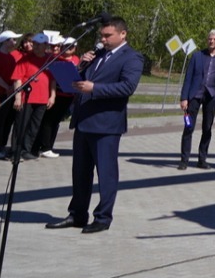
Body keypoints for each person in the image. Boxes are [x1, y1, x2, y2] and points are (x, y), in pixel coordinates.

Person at [46, 16, 143, 233]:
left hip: (106, 124)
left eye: (108, 35)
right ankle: (77, 214)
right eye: (102, 35)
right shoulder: (97, 55)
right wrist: (80, 66)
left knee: (106, 174)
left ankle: (102, 218)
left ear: (123, 34)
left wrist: (95, 88)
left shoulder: (132, 57)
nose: (103, 39)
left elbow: (127, 87)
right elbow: (80, 81)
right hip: (83, 121)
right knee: (80, 172)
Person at [179, 29, 215, 170]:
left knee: (207, 128)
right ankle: (184, 160)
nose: (211, 41)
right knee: (188, 127)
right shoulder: (197, 56)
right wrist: (184, 98)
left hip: (211, 97)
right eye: (210, 39)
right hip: (194, 96)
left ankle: (202, 159)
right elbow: (188, 78)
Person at [10, 31, 56, 161]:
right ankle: (15, 152)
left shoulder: (50, 60)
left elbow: (53, 80)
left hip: (42, 98)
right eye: (35, 44)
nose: (36, 46)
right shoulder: (25, 59)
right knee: (21, 125)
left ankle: (26, 150)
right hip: (26, 98)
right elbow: (17, 79)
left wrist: (52, 96)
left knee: (34, 126)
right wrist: (18, 97)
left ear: (46, 45)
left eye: (39, 44)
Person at [35, 35, 80, 158]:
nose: (68, 48)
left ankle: (49, 146)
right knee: (48, 121)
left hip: (69, 95)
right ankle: (44, 147)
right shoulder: (55, 58)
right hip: (56, 94)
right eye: (66, 46)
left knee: (56, 122)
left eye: (71, 46)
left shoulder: (77, 59)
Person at [0, 31, 19, 157]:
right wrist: (6, 87)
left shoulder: (11, 58)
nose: (15, 42)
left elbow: (15, 76)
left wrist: (12, 88)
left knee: (3, 122)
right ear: (5, 41)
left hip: (8, 94)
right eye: (12, 39)